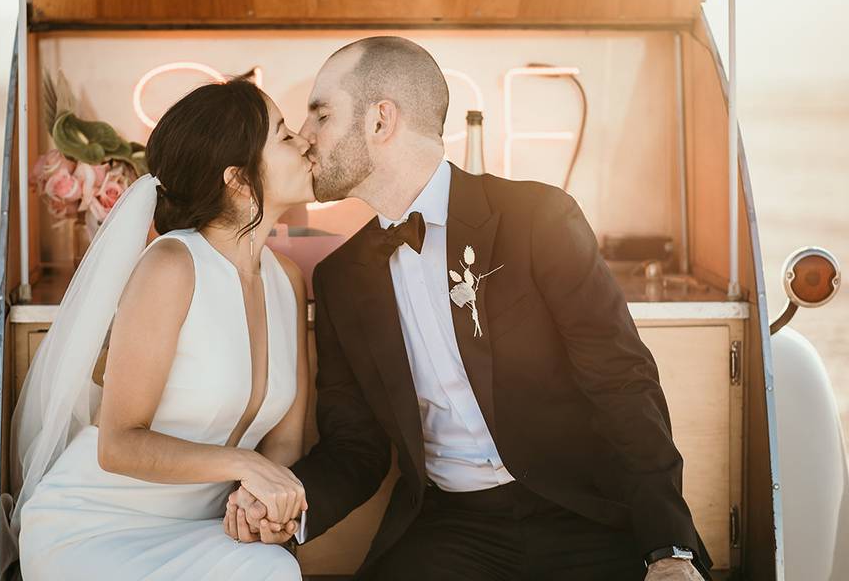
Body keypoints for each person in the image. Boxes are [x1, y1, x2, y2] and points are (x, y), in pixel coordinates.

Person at [225, 37, 714, 581]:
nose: (305, 136)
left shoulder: (537, 218)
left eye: (321, 113)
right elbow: (355, 448)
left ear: (381, 121)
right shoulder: (341, 278)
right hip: (453, 530)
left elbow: (622, 383)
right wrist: (289, 512)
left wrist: (669, 547)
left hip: (586, 513)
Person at [12, 79, 313, 580]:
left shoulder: (288, 280)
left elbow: (286, 443)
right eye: (284, 135)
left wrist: (259, 506)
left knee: (271, 569)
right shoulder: (172, 266)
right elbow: (119, 445)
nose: (305, 142)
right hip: (95, 527)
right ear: (238, 179)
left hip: (204, 531)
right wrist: (242, 465)